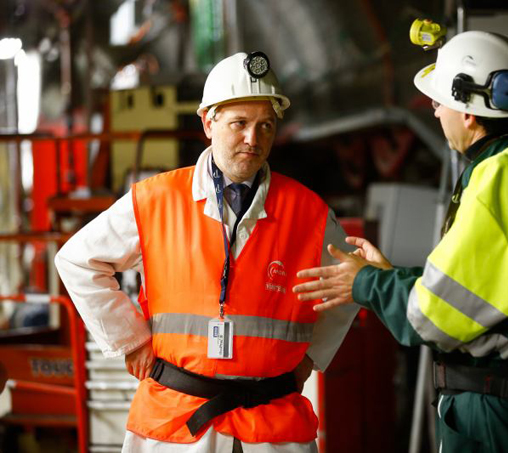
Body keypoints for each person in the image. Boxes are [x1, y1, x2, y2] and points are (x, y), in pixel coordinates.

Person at [55, 51, 358, 453]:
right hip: (176, 421)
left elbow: (351, 284)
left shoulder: (309, 212)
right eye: (240, 124)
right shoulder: (156, 199)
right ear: (208, 122)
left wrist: (312, 358)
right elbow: (76, 259)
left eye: (265, 126)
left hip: (272, 424)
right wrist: (131, 341)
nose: (254, 139)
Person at [293, 30, 508, 453]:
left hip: (490, 414)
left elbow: (434, 317)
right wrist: (393, 277)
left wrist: (365, 283)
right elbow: (478, 291)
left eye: (441, 102)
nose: (436, 111)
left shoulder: (494, 179)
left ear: (469, 115)